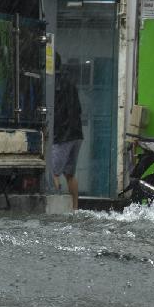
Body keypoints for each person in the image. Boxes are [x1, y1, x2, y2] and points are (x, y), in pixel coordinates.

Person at [50, 56, 83, 211]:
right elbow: (78, 109)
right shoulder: (70, 82)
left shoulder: (53, 83)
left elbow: (57, 112)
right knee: (70, 174)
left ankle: (54, 206)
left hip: (63, 135)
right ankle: (75, 209)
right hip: (77, 134)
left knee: (53, 172)